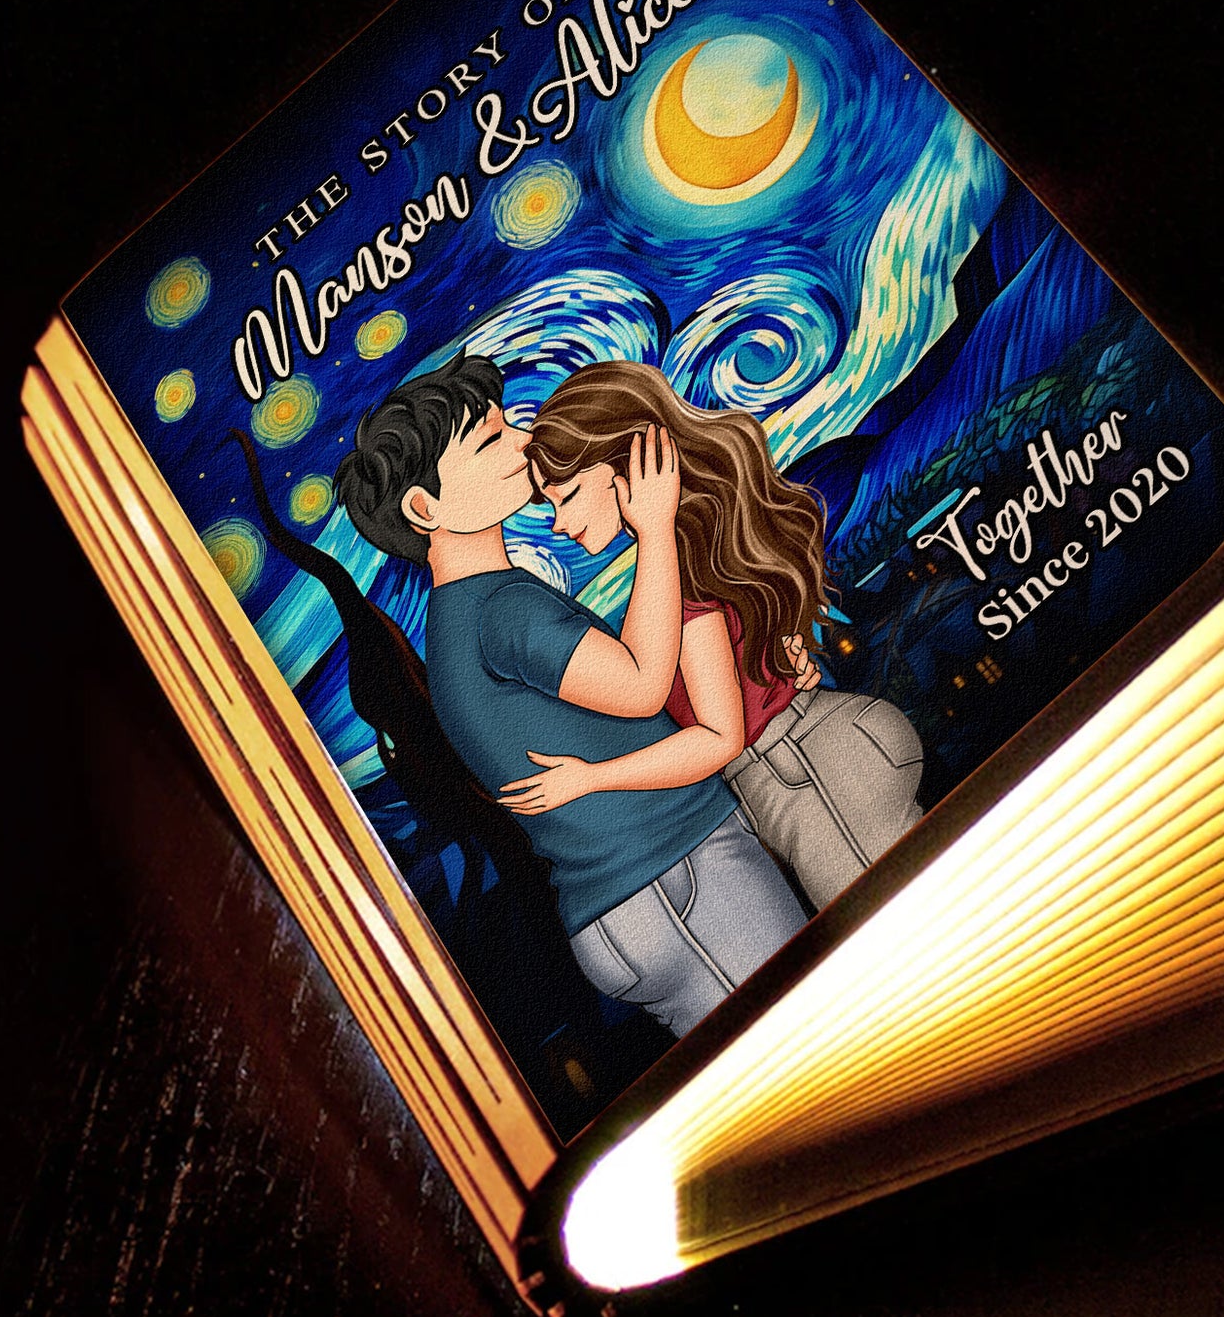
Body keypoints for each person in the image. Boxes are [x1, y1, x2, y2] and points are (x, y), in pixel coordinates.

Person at [330, 351, 807, 1038]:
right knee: (818, 1040)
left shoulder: (455, 625)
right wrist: (655, 528)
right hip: (677, 877)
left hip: (627, 904)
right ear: (424, 507)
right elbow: (641, 685)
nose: (523, 442)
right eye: (492, 439)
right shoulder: (501, 609)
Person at [506, 361, 925, 909]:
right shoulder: (685, 551)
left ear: (628, 465)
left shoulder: (679, 574)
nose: (559, 523)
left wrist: (590, 778)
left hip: (808, 776)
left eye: (568, 494)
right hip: (823, 753)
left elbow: (720, 738)